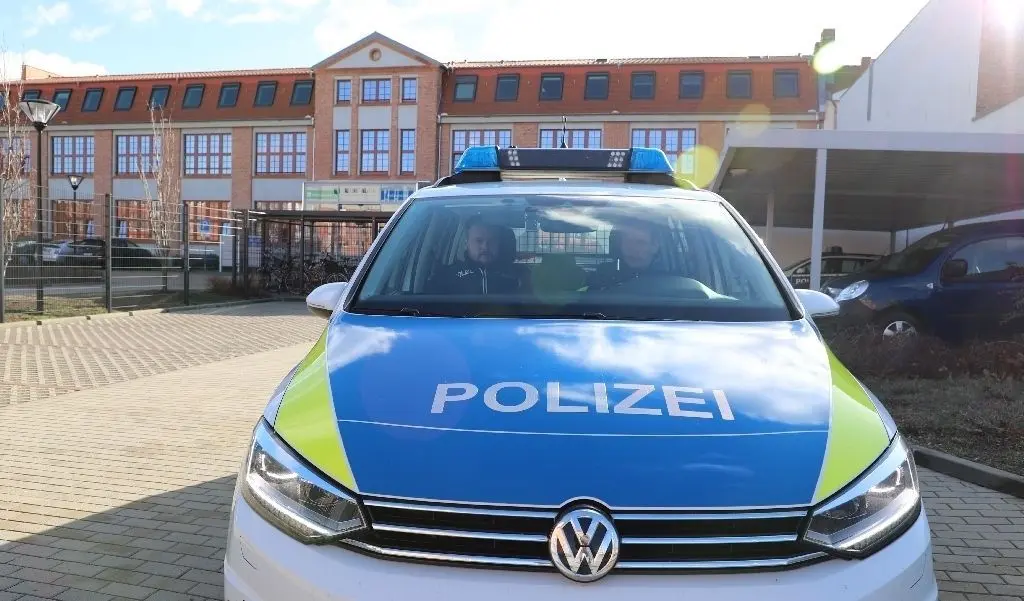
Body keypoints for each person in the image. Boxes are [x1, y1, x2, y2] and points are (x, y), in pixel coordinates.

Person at [426, 215, 524, 294]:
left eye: (492, 241)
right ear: (466, 243)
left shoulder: (520, 276)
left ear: (499, 244)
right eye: (479, 241)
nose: (485, 247)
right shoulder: (446, 277)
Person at [586, 219, 665, 290]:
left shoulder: (667, 280)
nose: (632, 248)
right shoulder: (602, 277)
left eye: (640, 242)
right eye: (628, 241)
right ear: (619, 243)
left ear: (654, 246)